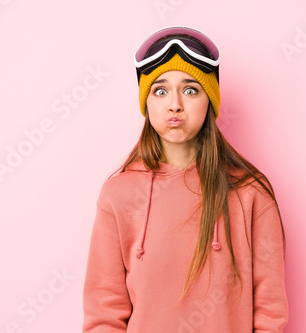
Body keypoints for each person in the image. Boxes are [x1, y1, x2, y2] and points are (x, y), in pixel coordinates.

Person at [82, 26, 288, 332]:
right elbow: (104, 313)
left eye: (190, 89)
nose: (174, 104)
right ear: (147, 102)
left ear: (210, 101)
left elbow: (270, 313)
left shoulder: (250, 193)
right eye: (160, 90)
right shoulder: (119, 194)